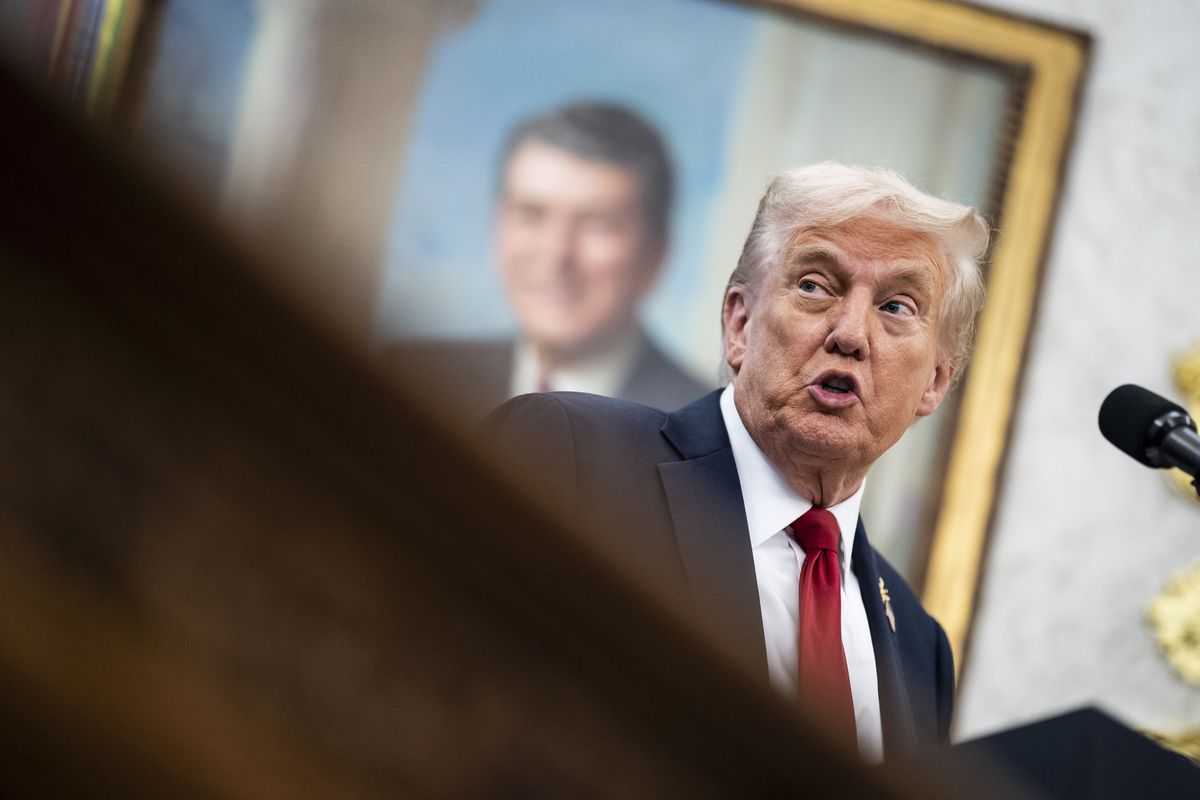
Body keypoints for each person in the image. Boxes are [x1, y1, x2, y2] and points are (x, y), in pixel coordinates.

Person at [483, 162, 988, 762]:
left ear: (935, 382)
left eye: (898, 307)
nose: (851, 334)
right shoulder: (571, 460)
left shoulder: (920, 649)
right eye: (815, 286)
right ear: (740, 323)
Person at [389, 101, 708, 418]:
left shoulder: (705, 440)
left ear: (657, 255)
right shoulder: (407, 381)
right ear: (497, 227)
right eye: (531, 214)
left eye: (596, 224)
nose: (556, 253)